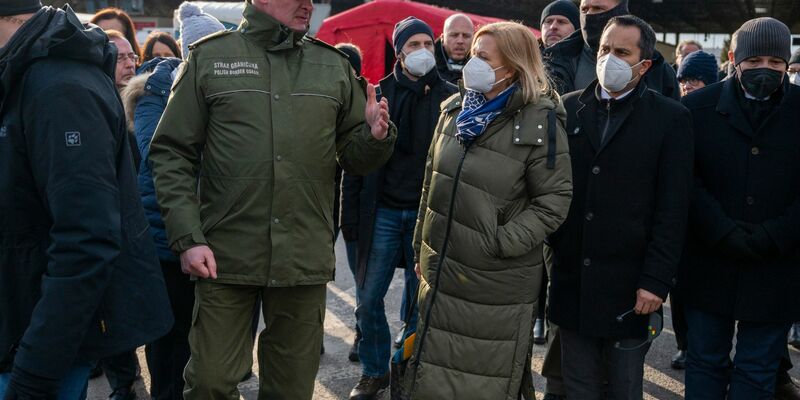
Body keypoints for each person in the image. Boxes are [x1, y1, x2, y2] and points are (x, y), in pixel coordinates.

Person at [148, 0, 396, 397]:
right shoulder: (212, 58)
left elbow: (354, 155)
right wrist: (187, 237)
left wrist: (374, 136)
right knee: (208, 382)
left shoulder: (331, 66)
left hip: (302, 255)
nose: (308, 5)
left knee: (291, 388)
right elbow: (171, 151)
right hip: (224, 255)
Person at [0, 1, 172, 399]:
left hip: (35, 352)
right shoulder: (25, 70)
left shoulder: (58, 86)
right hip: (21, 328)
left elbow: (86, 241)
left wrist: (32, 377)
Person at [405, 21, 573, 400]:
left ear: (512, 67)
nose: (471, 63)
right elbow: (431, 185)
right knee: (436, 376)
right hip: (443, 273)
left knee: (484, 382)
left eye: (483, 57)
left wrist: (498, 241)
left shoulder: (540, 121)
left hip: (495, 281)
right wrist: (421, 246)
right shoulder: (453, 112)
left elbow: (554, 201)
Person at [548, 15, 693, 400]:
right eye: (604, 50)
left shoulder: (671, 119)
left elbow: (673, 209)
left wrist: (656, 281)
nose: (609, 58)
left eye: (621, 52)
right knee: (577, 386)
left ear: (644, 65)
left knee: (624, 387)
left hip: (631, 288)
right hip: (573, 279)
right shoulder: (568, 108)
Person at [680, 17, 800, 400]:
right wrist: (721, 230)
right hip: (709, 260)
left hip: (777, 263)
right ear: (733, 58)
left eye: (775, 63)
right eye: (754, 61)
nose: (764, 70)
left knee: (758, 368)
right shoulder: (697, 108)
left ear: (787, 64)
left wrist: (774, 234)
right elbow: (686, 181)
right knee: (704, 361)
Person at [342, 17, 457, 400]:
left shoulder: (450, 96)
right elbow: (355, 163)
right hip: (385, 213)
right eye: (413, 45)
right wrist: (351, 220)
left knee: (419, 305)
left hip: (428, 215)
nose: (422, 51)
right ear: (399, 50)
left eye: (428, 43)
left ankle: (404, 366)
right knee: (367, 301)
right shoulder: (379, 93)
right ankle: (375, 371)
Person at [120, 3, 225, 398]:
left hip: (216, 237)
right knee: (170, 340)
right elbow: (156, 150)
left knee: (209, 343)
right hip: (167, 240)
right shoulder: (155, 89)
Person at [543, 0, 679, 99]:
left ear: (620, 11)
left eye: (597, 9)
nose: (589, 15)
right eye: (584, 10)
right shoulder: (553, 61)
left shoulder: (658, 69)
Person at [335, 42, 367, 364]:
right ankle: (312, 329)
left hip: (349, 199)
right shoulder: (319, 98)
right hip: (318, 198)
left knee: (360, 274)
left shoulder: (365, 101)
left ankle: (361, 332)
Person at [434, 13, 473, 84]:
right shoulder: (426, 69)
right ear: (442, 39)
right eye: (454, 35)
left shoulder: (485, 71)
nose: (460, 41)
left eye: (466, 36)